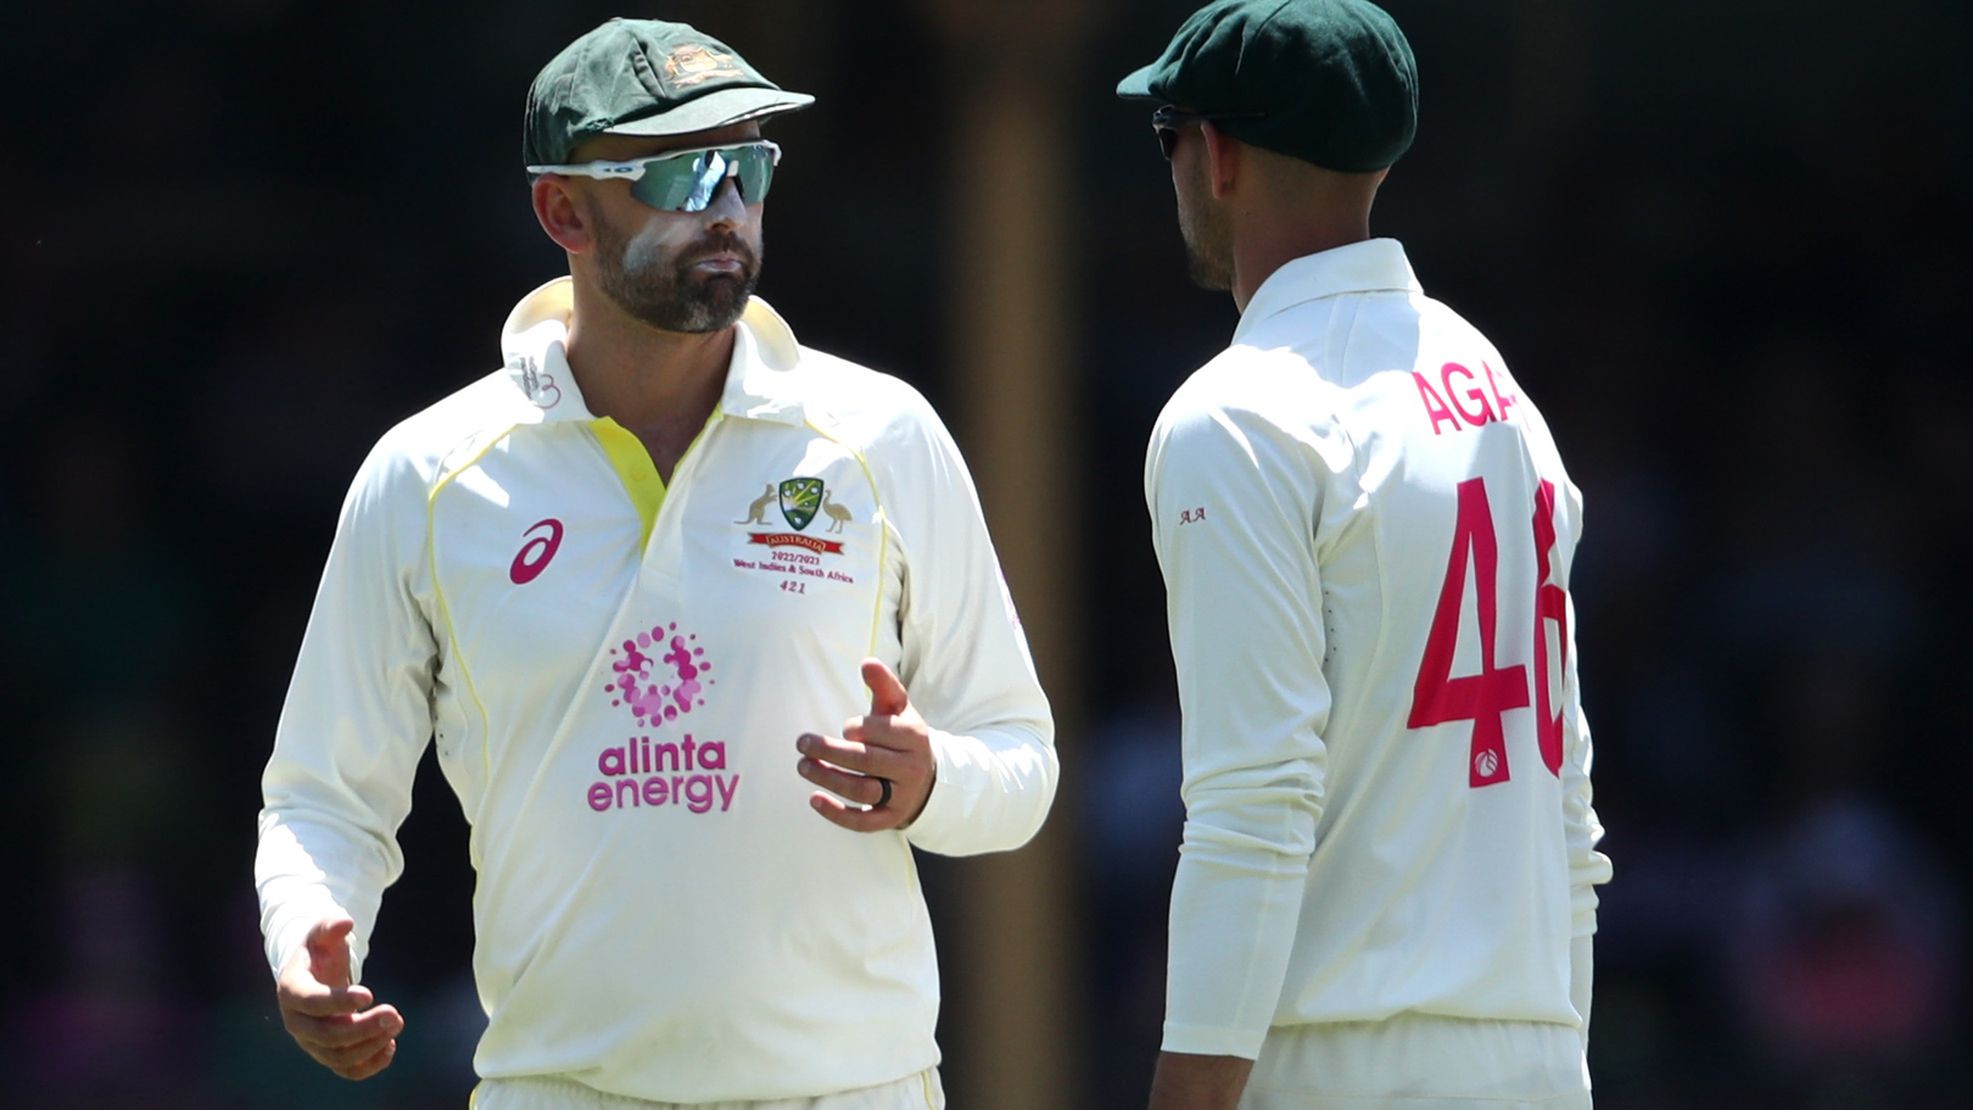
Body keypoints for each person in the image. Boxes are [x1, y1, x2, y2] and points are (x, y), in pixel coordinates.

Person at [253, 17, 1057, 1109]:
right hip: (562, 1090)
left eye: (751, 165)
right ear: (562, 211)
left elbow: (1020, 762)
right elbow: (322, 799)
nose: (727, 208)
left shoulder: (880, 436)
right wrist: (306, 937)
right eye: (684, 171)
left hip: (852, 1089)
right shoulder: (428, 476)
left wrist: (934, 783)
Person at [1115, 2, 1613, 1107]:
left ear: (1219, 153)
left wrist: (1190, 1089)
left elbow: (1254, 798)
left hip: (1338, 1064)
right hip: (1531, 1056)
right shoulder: (1502, 398)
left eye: (1167, 137)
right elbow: (1568, 799)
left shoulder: (1236, 415)